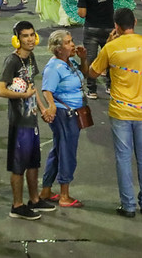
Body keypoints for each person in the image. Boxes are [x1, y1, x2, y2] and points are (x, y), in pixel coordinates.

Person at [89, 8, 142, 218]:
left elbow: (93, 73)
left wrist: (107, 43)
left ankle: (128, 206)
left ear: (116, 26)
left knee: (123, 159)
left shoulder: (111, 48)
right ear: (135, 22)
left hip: (120, 112)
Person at [0, 21, 54, 220]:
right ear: (16, 39)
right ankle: (17, 205)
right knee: (19, 165)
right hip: (19, 122)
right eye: (25, 36)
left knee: (33, 163)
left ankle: (34, 200)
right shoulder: (11, 61)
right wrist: (22, 96)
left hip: (32, 120)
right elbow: (0, 90)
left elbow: (31, 86)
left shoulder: (31, 58)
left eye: (31, 35)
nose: (29, 39)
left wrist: (43, 108)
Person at [39, 30, 88, 208]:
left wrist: (83, 59)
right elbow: (46, 90)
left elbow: (85, 74)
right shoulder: (54, 67)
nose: (73, 44)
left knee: (58, 150)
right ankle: (64, 195)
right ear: (58, 49)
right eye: (68, 42)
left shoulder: (70, 62)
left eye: (72, 41)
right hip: (64, 114)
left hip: (73, 112)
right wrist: (51, 106)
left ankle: (46, 189)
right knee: (67, 152)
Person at [77, 0, 123, 99]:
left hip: (91, 29)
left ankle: (92, 90)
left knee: (90, 59)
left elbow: (82, 13)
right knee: (110, 59)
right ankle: (110, 86)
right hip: (109, 28)